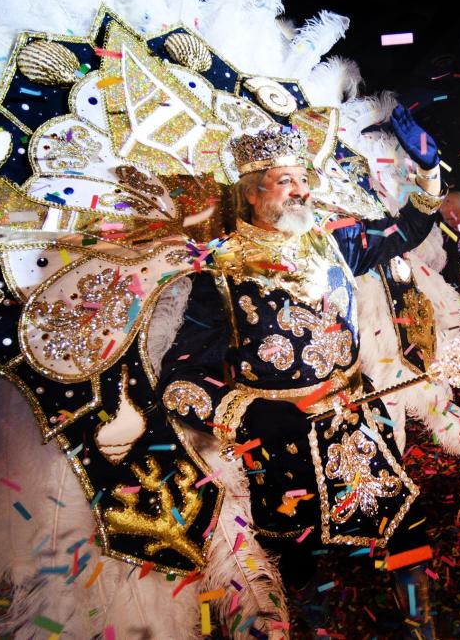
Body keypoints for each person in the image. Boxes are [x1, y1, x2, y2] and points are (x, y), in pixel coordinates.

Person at [156, 109, 445, 633]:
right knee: (293, 559)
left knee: (403, 523)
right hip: (280, 445)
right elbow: (177, 381)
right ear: (249, 191)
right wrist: (248, 415)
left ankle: (422, 628)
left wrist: (427, 170)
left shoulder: (336, 240)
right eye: (285, 181)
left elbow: (412, 227)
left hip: (356, 421)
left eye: (304, 179)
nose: (302, 192)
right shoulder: (218, 272)